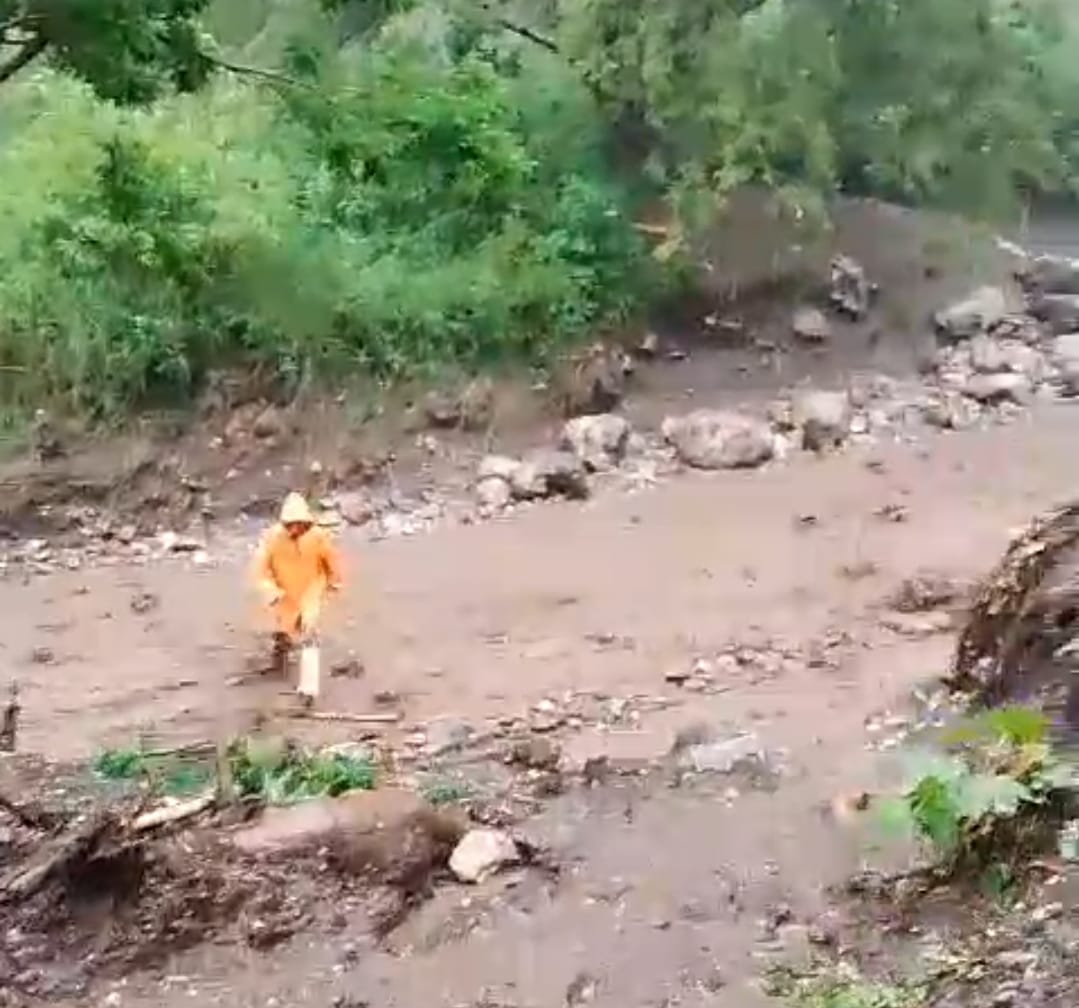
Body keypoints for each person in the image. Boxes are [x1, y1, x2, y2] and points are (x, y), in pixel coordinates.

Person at [253, 492, 343, 703]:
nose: (294, 529)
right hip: (284, 592)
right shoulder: (272, 538)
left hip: (311, 590)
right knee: (283, 629)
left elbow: (332, 562)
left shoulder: (318, 537)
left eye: (299, 524)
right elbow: (260, 570)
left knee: (309, 633)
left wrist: (334, 582)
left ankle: (308, 689)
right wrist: (270, 590)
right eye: (290, 524)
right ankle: (279, 662)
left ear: (306, 522)